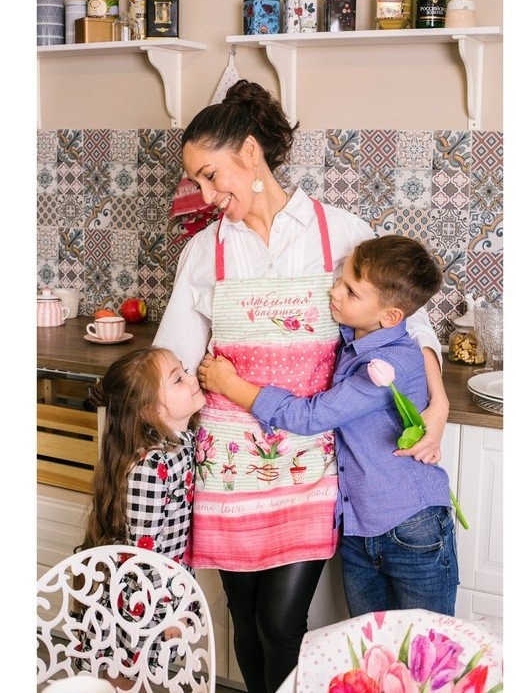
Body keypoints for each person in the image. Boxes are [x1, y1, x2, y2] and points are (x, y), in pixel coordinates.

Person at [152, 79, 450, 693]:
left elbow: (408, 325)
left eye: (210, 176)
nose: (205, 195)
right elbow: (172, 357)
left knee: (281, 622)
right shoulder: (204, 251)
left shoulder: (339, 232)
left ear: (250, 153)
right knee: (244, 618)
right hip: (228, 466)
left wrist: (439, 402)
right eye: (197, 182)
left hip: (311, 460)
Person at [198, 235, 458, 618]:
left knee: (427, 646)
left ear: (390, 317)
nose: (334, 292)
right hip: (359, 529)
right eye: (340, 279)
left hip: (412, 527)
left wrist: (231, 386)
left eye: (351, 291)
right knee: (368, 645)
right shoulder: (355, 335)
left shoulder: (388, 365)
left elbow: (311, 416)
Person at [76, 346, 206, 687]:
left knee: (145, 678)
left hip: (165, 588)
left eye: (184, 370)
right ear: (152, 411)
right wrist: (167, 613)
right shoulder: (150, 468)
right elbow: (142, 556)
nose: (192, 378)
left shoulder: (182, 441)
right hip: (139, 599)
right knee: (126, 680)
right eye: (178, 379)